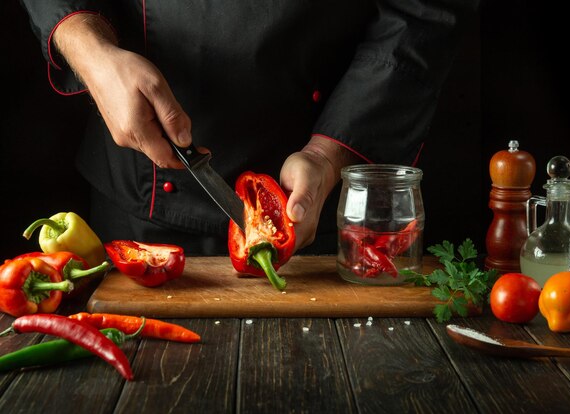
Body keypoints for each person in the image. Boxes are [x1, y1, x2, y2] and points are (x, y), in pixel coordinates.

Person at [19, 1, 479, 255]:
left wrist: (326, 155)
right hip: (138, 194)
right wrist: (93, 54)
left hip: (311, 199)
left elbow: (426, 12)